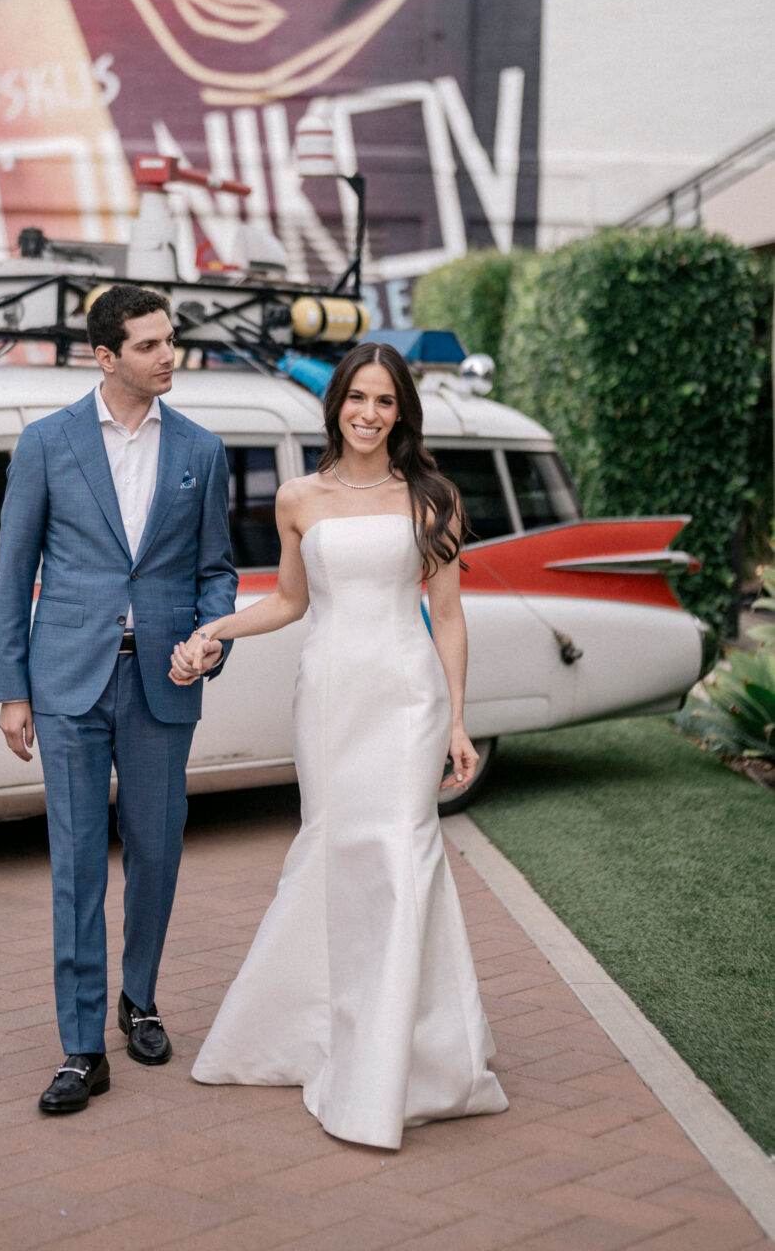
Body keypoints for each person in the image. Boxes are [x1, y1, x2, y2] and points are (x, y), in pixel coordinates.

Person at [172, 341, 508, 1149]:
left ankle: (398, 1064)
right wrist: (215, 626)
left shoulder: (432, 498)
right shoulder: (297, 497)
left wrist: (458, 720)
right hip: (327, 697)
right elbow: (289, 602)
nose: (368, 413)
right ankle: (313, 1029)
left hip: (404, 697)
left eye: (384, 401)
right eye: (356, 397)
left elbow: (450, 615)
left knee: (399, 854)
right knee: (329, 853)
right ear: (336, 406)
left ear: (402, 413)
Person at [0, 284, 236, 1115]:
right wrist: (11, 688)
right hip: (66, 683)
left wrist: (212, 636)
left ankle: (140, 998)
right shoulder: (46, 442)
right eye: (148, 345)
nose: (168, 355)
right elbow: (13, 572)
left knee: (159, 853)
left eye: (171, 340)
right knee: (76, 867)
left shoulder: (202, 450)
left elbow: (215, 569)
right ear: (105, 357)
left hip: (161, 683)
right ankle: (80, 1047)